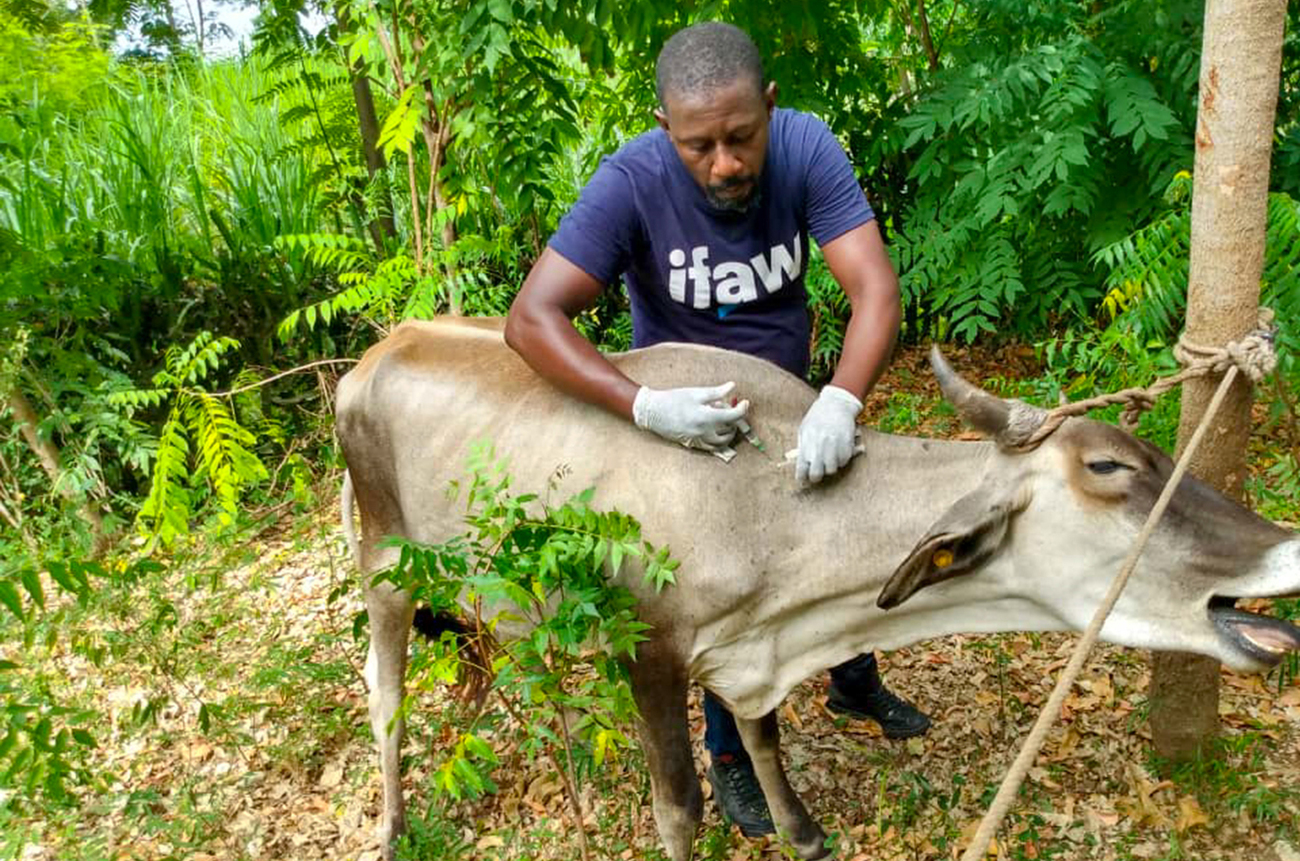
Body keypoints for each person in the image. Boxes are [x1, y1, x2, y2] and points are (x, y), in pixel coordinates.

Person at [504, 21, 930, 839]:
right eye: (701, 146)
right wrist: (639, 405)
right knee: (723, 589)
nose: (726, 164)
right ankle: (730, 751)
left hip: (790, 400)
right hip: (680, 424)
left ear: (770, 107)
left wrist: (841, 398)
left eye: (741, 137)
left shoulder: (805, 149)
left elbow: (875, 289)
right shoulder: (632, 180)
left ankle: (853, 674)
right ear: (666, 129)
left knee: (834, 538)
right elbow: (532, 319)